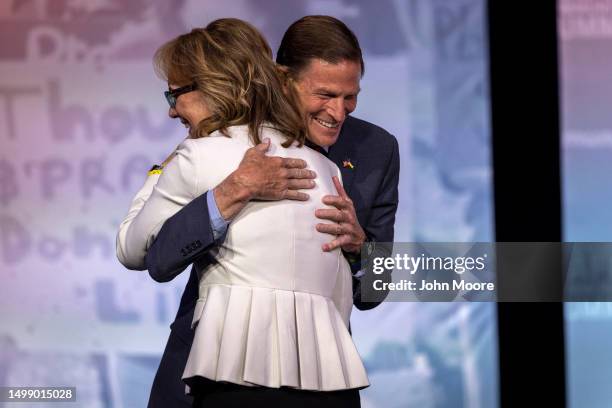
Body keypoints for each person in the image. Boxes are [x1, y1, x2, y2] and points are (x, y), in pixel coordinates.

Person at [119, 15, 400, 408]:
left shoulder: (375, 150)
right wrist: (230, 192)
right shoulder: (224, 140)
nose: (338, 112)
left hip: (318, 371)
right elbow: (153, 256)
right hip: (216, 365)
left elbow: (377, 287)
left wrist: (360, 246)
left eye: (349, 96)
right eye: (324, 95)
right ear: (283, 79)